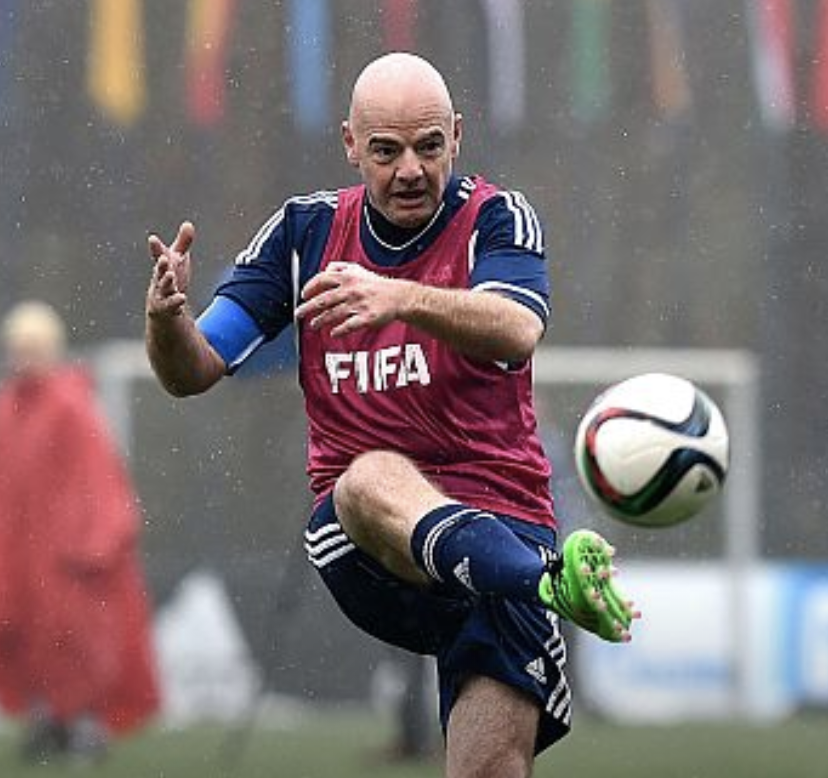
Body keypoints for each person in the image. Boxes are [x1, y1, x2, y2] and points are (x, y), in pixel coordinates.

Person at [145, 52, 638, 778]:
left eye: (429, 146)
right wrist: (166, 321)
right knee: (369, 475)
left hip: (504, 524)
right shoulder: (303, 234)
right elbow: (192, 371)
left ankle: (532, 582)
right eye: (386, 151)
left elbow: (516, 328)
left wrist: (400, 297)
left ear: (457, 135)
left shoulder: (497, 219)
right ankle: (543, 580)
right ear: (351, 144)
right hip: (366, 540)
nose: (410, 169)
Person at [0, 301, 160, 763]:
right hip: (25, 554)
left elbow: (98, 478)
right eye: (17, 348)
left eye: (31, 348)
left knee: (78, 640)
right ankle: (48, 720)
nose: (22, 358)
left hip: (65, 556)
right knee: (28, 639)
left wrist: (94, 543)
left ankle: (86, 725)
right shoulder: (10, 408)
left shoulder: (68, 404)